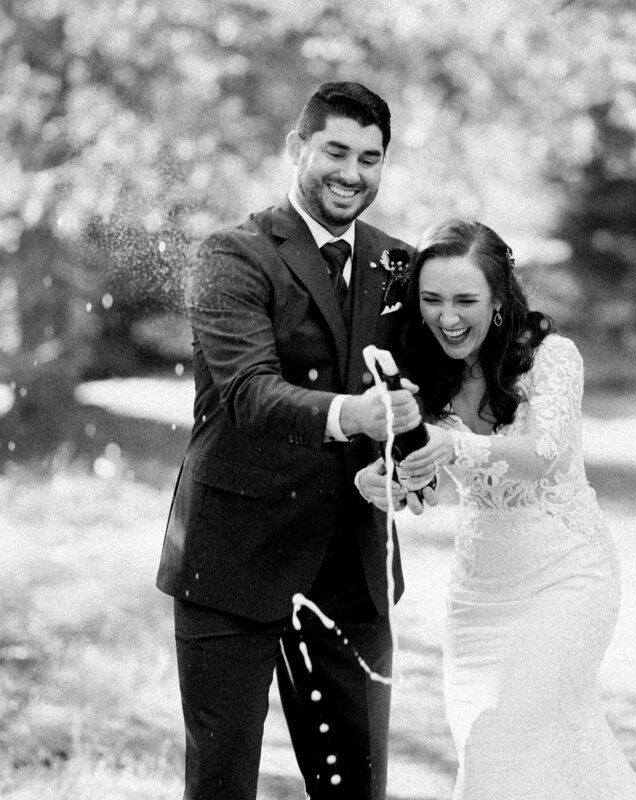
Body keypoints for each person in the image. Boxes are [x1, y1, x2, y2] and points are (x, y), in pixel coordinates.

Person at [155, 81, 427, 800]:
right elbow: (249, 393)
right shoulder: (232, 256)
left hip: (350, 569)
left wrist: (418, 465)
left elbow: (420, 399)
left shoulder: (400, 265)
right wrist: (354, 416)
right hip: (234, 554)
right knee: (221, 784)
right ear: (296, 149)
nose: (351, 172)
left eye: (370, 158)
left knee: (356, 787)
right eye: (336, 150)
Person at [356, 219, 636, 799]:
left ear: (498, 301)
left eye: (466, 299)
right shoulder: (420, 375)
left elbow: (541, 453)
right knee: (509, 754)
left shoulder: (554, 359)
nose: (448, 317)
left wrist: (452, 445)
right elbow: (428, 484)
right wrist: (389, 479)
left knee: (501, 739)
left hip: (567, 581)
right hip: (478, 599)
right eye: (432, 300)